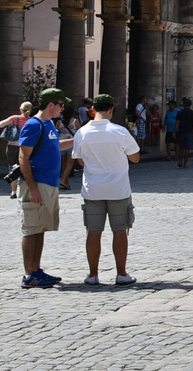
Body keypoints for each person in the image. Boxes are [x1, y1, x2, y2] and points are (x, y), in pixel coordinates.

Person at [72, 94, 140, 286]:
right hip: (118, 188)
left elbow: (79, 160)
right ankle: (121, 273)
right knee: (120, 230)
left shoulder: (82, 133)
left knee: (93, 232)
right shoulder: (119, 131)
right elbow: (135, 158)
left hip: (92, 189)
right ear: (111, 110)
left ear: (93, 110)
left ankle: (93, 274)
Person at [16, 87, 73, 289]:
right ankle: (29, 274)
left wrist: (77, 141)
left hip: (48, 183)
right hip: (37, 183)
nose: (63, 109)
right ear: (51, 104)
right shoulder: (34, 125)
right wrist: (32, 187)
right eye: (61, 105)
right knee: (32, 228)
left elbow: (54, 146)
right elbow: (23, 156)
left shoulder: (49, 124)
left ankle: (36, 270)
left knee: (40, 228)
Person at [0, 101, 34, 198]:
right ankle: (25, 189)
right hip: (26, 146)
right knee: (25, 167)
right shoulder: (32, 121)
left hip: (13, 145)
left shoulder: (15, 118)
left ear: (21, 109)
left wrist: (11, 125)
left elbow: (0, 125)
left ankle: (14, 191)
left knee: (12, 168)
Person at [173, 99, 193, 168]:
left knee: (181, 148)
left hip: (181, 132)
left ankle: (180, 161)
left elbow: (177, 123)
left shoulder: (180, 112)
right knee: (187, 149)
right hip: (189, 132)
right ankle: (185, 164)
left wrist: (174, 132)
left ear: (184, 104)